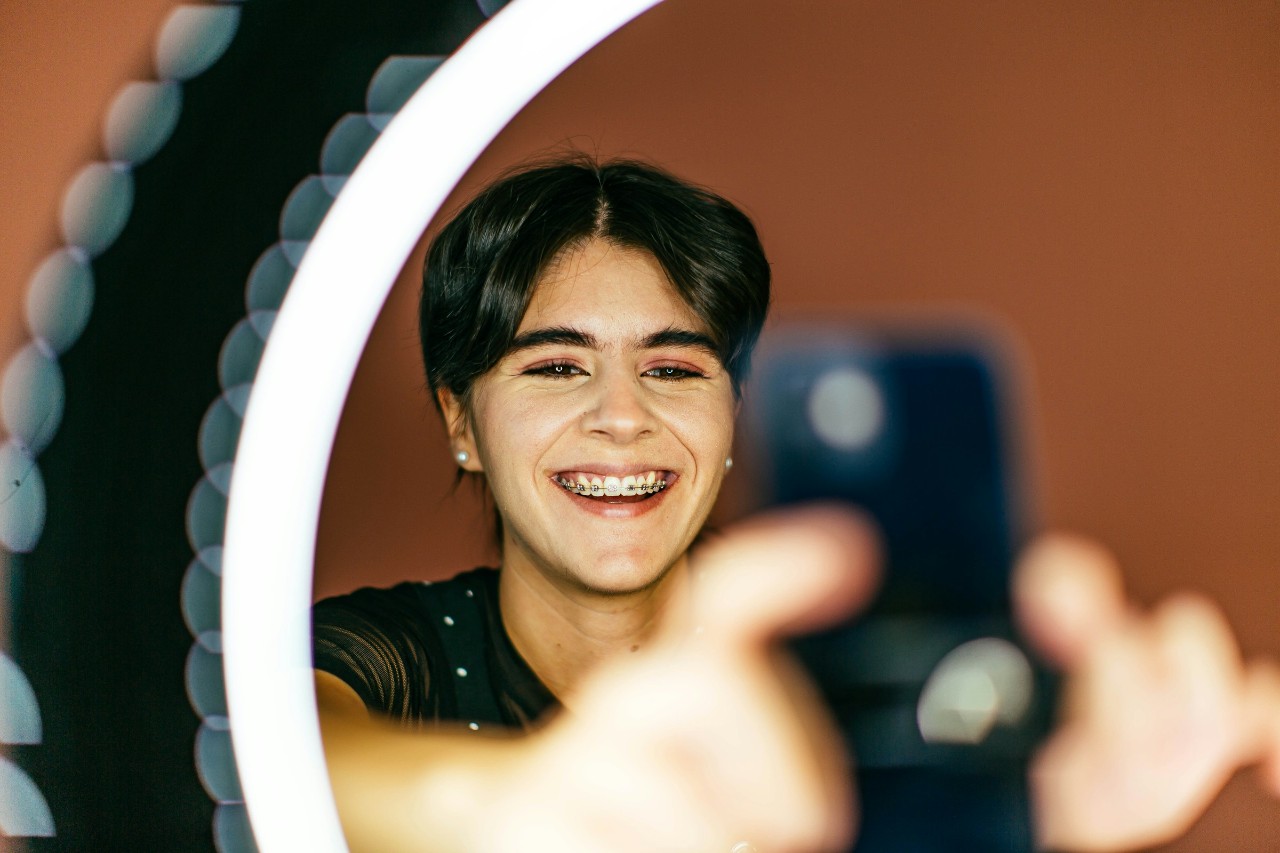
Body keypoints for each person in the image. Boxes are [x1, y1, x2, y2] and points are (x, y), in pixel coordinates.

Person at [312, 155, 1280, 852]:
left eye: (673, 367)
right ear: (461, 423)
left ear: (731, 415)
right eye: (557, 366)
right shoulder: (378, 656)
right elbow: (287, 755)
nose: (620, 417)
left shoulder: (842, 670)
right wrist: (512, 811)